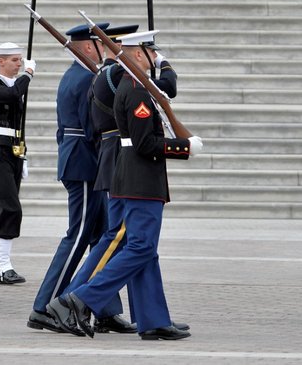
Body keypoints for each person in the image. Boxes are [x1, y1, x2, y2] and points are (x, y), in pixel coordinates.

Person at [47, 30, 201, 341]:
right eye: (151, 53)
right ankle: (80, 298)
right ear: (139, 54)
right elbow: (145, 143)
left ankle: (153, 319)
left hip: (132, 176)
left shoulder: (132, 86)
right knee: (140, 247)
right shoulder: (137, 91)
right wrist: (184, 147)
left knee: (146, 251)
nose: (154, 59)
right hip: (140, 179)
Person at [30, 24, 112, 330]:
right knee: (78, 236)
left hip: (78, 159)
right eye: (101, 42)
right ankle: (44, 305)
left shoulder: (73, 74)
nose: (106, 47)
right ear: (89, 47)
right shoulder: (88, 77)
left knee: (102, 236)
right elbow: (92, 129)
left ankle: (103, 308)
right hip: (85, 164)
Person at [0, 42, 35, 284]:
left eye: (20, 59)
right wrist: (29, 75)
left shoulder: (14, 85)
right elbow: (12, 96)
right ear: (0, 61)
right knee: (11, 206)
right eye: (14, 60)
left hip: (14, 150)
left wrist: (23, 154)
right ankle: (5, 266)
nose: (19, 64)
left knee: (1, 207)